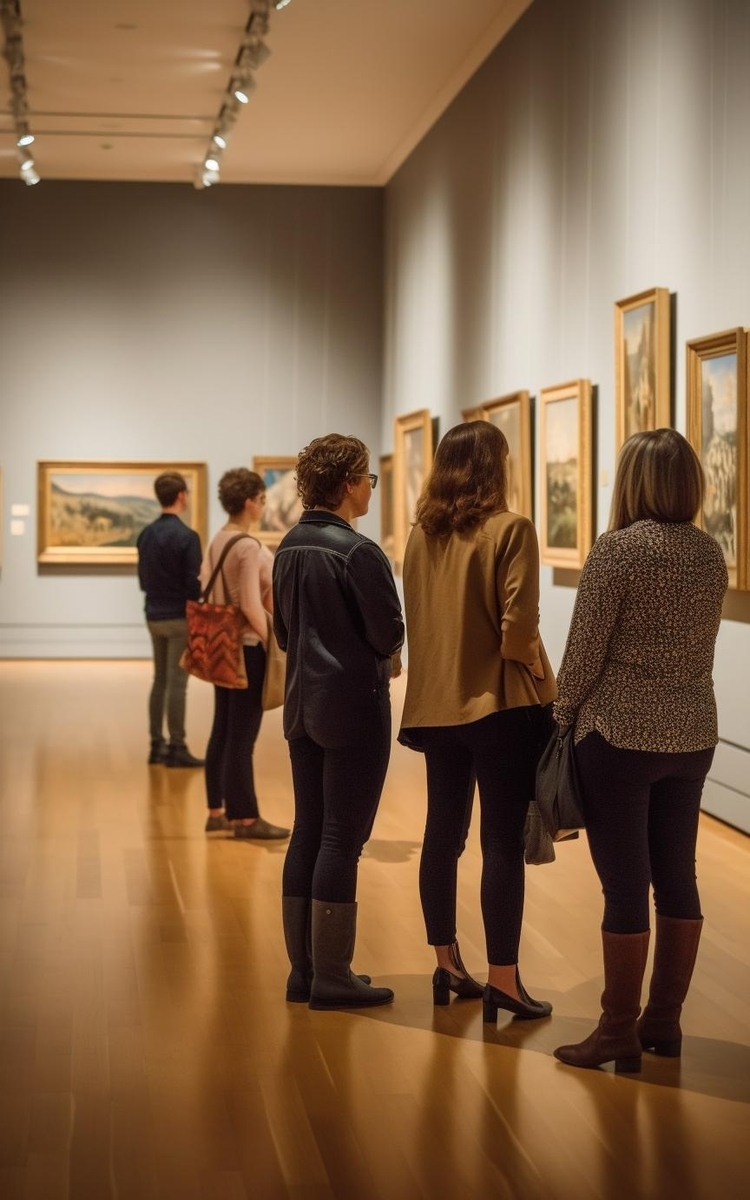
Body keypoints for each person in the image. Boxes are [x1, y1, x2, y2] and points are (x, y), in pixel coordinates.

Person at [552, 429, 727, 1072]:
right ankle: (663, 1023)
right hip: (693, 735)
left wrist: (560, 720)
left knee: (625, 886)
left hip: (620, 737)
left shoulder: (617, 551)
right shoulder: (709, 554)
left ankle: (617, 1030)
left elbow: (583, 655)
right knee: (678, 876)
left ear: (631, 482)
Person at [399, 421, 556, 1021]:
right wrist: (542, 674)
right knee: (500, 843)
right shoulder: (512, 529)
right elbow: (518, 632)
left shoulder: (421, 536)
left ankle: (446, 964)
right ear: (496, 465)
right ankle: (504, 982)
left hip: (436, 706)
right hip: (496, 707)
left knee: (442, 835)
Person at [273, 434, 404, 1009]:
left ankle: (302, 973)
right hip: (353, 707)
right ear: (349, 484)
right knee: (341, 839)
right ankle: (332, 975)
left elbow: (284, 633)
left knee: (308, 829)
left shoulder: (288, 546)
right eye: (368, 479)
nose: (371, 489)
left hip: (301, 705)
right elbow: (389, 633)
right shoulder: (358, 552)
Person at [202, 469, 290, 840]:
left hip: (221, 645)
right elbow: (252, 607)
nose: (263, 506)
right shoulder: (248, 546)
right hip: (247, 648)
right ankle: (245, 818)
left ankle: (216, 810)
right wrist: (276, 643)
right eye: (262, 500)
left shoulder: (219, 538)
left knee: (223, 728)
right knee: (242, 737)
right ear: (250, 501)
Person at [137, 471, 204, 767]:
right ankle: (177, 747)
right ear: (180, 496)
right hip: (179, 617)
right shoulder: (187, 537)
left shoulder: (146, 534)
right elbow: (193, 584)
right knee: (178, 683)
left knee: (160, 679)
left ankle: (156, 745)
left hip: (153, 615)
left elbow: (143, 579)